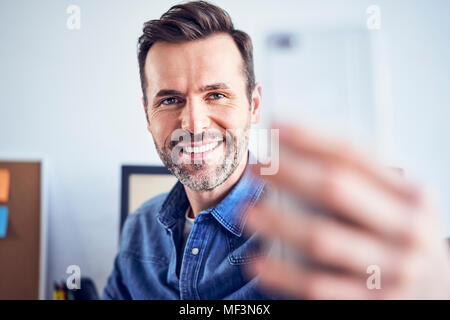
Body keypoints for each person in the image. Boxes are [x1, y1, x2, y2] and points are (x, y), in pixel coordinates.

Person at [103, 1, 450, 299]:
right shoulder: (139, 230)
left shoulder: (311, 227)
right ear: (148, 115)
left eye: (217, 95)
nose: (193, 124)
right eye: (170, 100)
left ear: (254, 105)